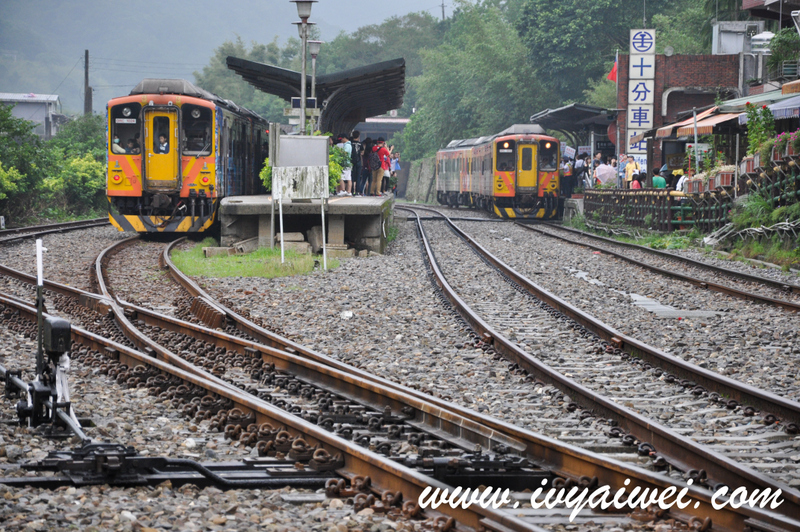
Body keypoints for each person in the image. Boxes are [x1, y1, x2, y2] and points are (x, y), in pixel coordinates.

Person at [351, 131, 363, 196]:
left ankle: (352, 191)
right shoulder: (360, 144)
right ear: (358, 136)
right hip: (358, 161)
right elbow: (362, 152)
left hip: (352, 161)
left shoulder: (350, 143)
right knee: (358, 177)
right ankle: (358, 191)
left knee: (352, 177)